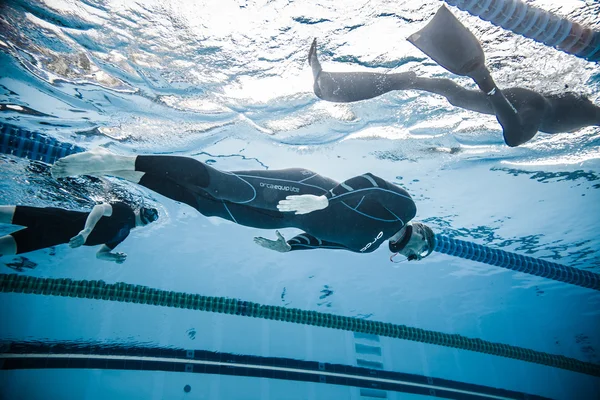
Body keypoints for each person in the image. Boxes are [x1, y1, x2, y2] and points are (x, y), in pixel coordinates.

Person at [50, 149, 435, 261]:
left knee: (209, 206)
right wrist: (324, 198)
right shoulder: (406, 210)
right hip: (306, 189)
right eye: (421, 253)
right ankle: (119, 158)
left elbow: (322, 241)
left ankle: (128, 174)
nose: (413, 256)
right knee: (227, 187)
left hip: (281, 220)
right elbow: (368, 182)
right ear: (421, 236)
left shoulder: (367, 248)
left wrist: (290, 246)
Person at [308, 5, 600, 147]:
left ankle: (333, 85)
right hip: (512, 101)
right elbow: (516, 137)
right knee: (442, 88)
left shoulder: (543, 105)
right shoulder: (539, 105)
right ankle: (334, 85)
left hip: (500, 99)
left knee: (442, 87)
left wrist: (485, 82)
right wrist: (485, 81)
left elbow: (515, 136)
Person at [0, 201, 158, 263]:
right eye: (150, 212)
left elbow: (100, 254)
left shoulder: (123, 234)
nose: (149, 216)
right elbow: (100, 208)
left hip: (50, 238)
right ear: (140, 210)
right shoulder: (125, 211)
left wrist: (114, 257)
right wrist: (86, 231)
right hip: (52, 219)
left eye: (152, 217)